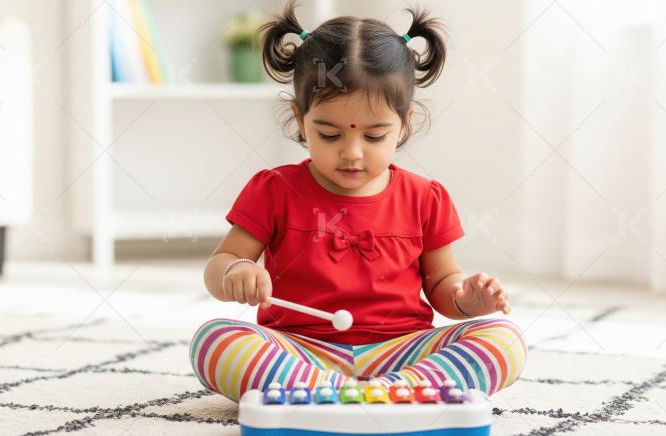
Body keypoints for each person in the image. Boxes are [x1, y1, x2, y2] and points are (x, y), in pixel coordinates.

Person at [190, 0, 527, 402]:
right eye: (330, 135)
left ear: (404, 124)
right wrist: (236, 273)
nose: (351, 152)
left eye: (374, 136)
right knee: (215, 341)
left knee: (504, 340)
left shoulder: (425, 197)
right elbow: (219, 266)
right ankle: (358, 393)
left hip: (400, 352)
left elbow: (441, 283)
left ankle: (375, 391)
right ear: (300, 119)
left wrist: (465, 298)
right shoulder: (273, 189)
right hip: (300, 351)